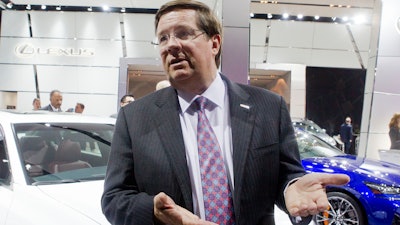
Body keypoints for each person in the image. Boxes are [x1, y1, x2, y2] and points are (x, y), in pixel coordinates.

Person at [101, 1, 350, 225]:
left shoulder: (268, 107)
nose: (172, 45)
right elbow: (114, 198)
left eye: (183, 33)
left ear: (215, 43)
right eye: (163, 38)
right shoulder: (134, 118)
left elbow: (287, 175)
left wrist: (292, 189)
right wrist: (153, 211)